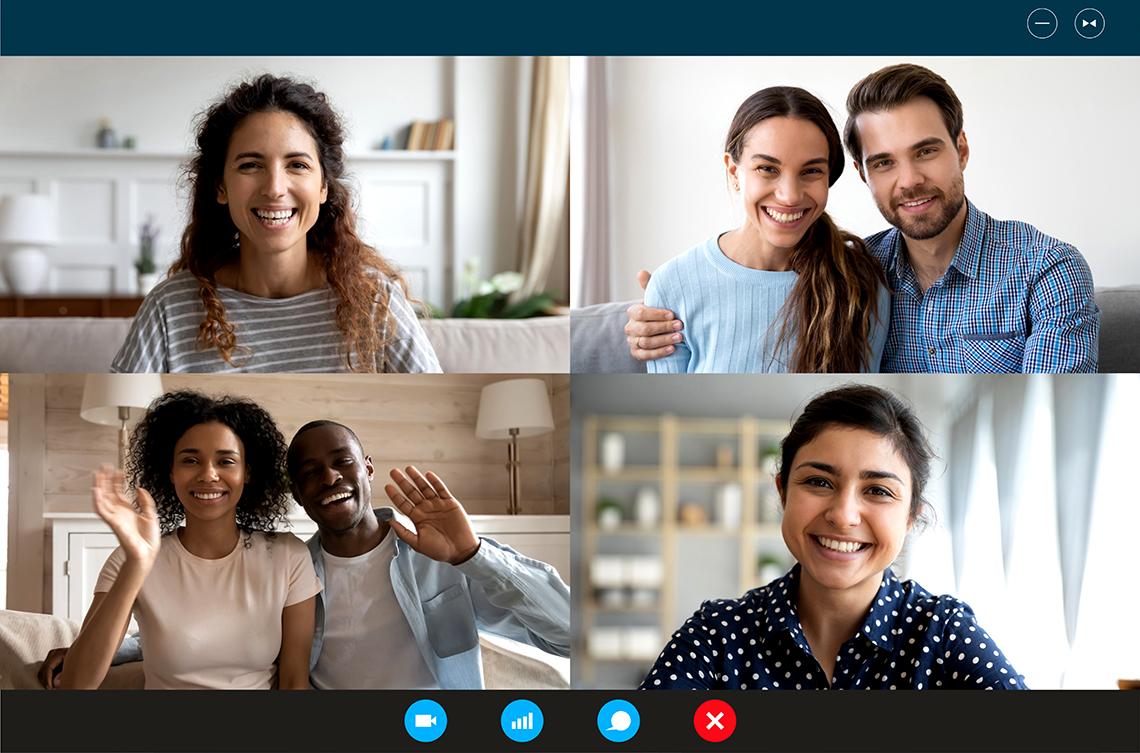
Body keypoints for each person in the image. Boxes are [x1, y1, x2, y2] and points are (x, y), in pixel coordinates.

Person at [625, 64, 1099, 373]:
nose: (909, 180)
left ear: (962, 150)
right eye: (885, 162)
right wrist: (659, 302)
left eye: (927, 152)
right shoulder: (859, 267)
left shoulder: (1046, 270)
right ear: (862, 173)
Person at [43, 420, 570, 689]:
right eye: (310, 472)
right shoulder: (297, 566)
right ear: (295, 491)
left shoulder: (439, 556)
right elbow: (213, 628)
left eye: (342, 462)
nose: (330, 477)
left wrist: (474, 554)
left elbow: (567, 634)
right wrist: (107, 649)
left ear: (366, 467)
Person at [641, 384, 1025, 690]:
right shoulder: (717, 634)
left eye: (878, 490)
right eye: (819, 482)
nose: (843, 516)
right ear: (782, 491)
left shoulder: (942, 633)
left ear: (910, 517)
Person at [112, 74, 441, 373]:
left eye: (297, 164)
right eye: (250, 165)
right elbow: (115, 430)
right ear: (220, 187)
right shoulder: (168, 309)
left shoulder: (375, 302)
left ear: (324, 187)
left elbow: (438, 417)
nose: (274, 188)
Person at [55, 391, 320, 689]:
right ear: (170, 472)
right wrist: (138, 563)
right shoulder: (130, 560)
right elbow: (76, 685)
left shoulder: (287, 556)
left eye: (226, 461)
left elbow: (295, 680)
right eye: (191, 460)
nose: (208, 475)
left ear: (247, 472)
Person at [644, 86, 888, 373]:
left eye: (811, 171)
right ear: (734, 171)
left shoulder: (862, 283)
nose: (790, 196)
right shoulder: (672, 285)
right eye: (767, 169)